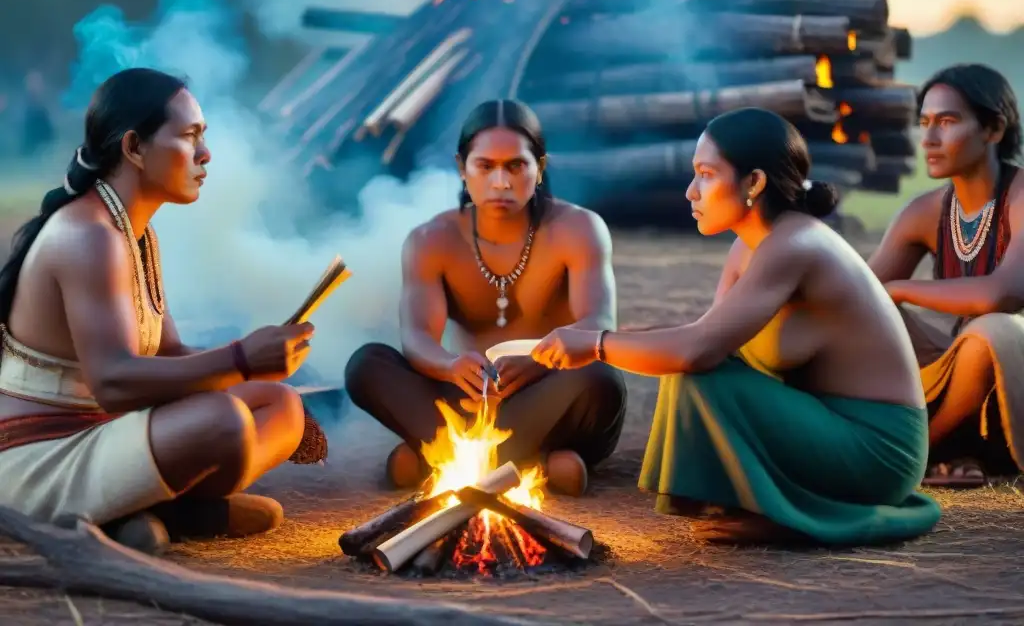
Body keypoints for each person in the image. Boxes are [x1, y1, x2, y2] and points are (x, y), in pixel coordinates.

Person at [529, 107, 942, 546]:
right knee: (693, 371)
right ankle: (756, 503)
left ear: (755, 183)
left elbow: (697, 350)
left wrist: (596, 345)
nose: (691, 192)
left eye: (706, 174)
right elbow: (707, 334)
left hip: (877, 450)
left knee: (698, 374)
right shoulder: (750, 248)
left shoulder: (795, 245)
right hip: (826, 427)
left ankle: (786, 517)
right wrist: (610, 338)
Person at [0, 68, 320, 555]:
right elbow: (112, 381)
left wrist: (256, 366)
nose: (205, 154)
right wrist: (239, 359)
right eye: (190, 136)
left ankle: (149, 510)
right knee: (225, 421)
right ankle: (171, 511)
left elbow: (169, 353)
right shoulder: (89, 235)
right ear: (134, 148)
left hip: (104, 431)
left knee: (281, 404)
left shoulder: (137, 233)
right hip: (38, 458)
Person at [345, 99, 626, 496]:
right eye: (485, 166)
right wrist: (449, 366)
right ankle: (535, 465)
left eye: (515, 166)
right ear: (462, 168)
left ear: (539, 168)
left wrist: (536, 362)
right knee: (367, 364)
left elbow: (598, 325)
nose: (500, 182)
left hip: (547, 398)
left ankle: (438, 458)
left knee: (600, 378)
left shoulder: (579, 229)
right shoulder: (431, 240)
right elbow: (418, 338)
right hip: (464, 397)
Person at [868, 64, 1024, 487]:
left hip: (1013, 381)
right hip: (963, 380)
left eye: (948, 122)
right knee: (869, 312)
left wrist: (899, 289)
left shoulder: (1020, 197)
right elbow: (858, 295)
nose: (930, 139)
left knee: (991, 332)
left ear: (993, 129)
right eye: (925, 123)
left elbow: (1001, 294)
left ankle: (920, 451)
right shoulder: (924, 211)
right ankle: (958, 451)